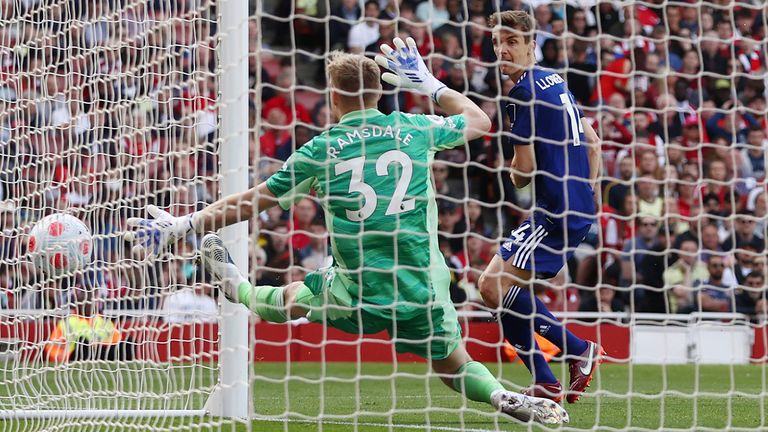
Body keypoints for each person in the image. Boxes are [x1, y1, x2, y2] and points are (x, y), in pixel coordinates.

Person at [125, 41, 568, 425]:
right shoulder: (414, 129)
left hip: (356, 292)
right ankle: (498, 394)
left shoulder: (319, 151)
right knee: (453, 366)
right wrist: (428, 84)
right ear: (380, 92)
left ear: (333, 96)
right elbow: (480, 122)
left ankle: (235, 285)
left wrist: (185, 223)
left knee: (290, 298)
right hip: (421, 289)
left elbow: (250, 201)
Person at [476, 10, 603, 404]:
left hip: (555, 211)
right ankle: (546, 380)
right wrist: (588, 189)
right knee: (495, 287)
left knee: (493, 286)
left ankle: (579, 350)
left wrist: (512, 173)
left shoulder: (523, 93)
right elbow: (594, 141)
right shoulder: (556, 81)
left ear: (533, 45)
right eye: (498, 42)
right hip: (572, 206)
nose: (502, 50)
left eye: (512, 42)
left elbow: (524, 171)